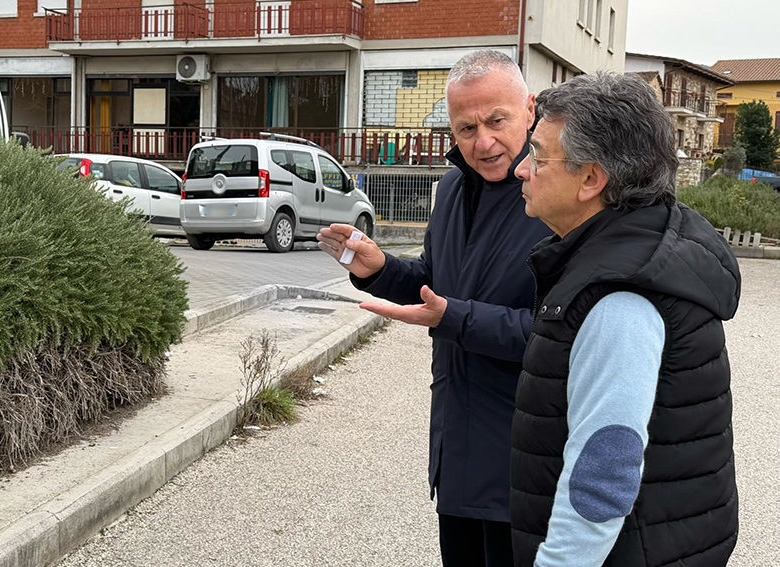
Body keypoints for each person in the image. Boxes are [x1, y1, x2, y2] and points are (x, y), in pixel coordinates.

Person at [317, 50, 551, 566]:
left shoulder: (554, 196)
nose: (483, 142)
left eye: (496, 121)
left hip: (527, 460)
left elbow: (562, 332)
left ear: (530, 109)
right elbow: (435, 284)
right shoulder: (450, 188)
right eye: (466, 128)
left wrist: (453, 319)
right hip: (457, 449)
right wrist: (380, 269)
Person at [510, 72, 740, 567]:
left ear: (592, 180)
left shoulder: (621, 297)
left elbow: (602, 478)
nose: (521, 170)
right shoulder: (646, 246)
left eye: (539, 157)